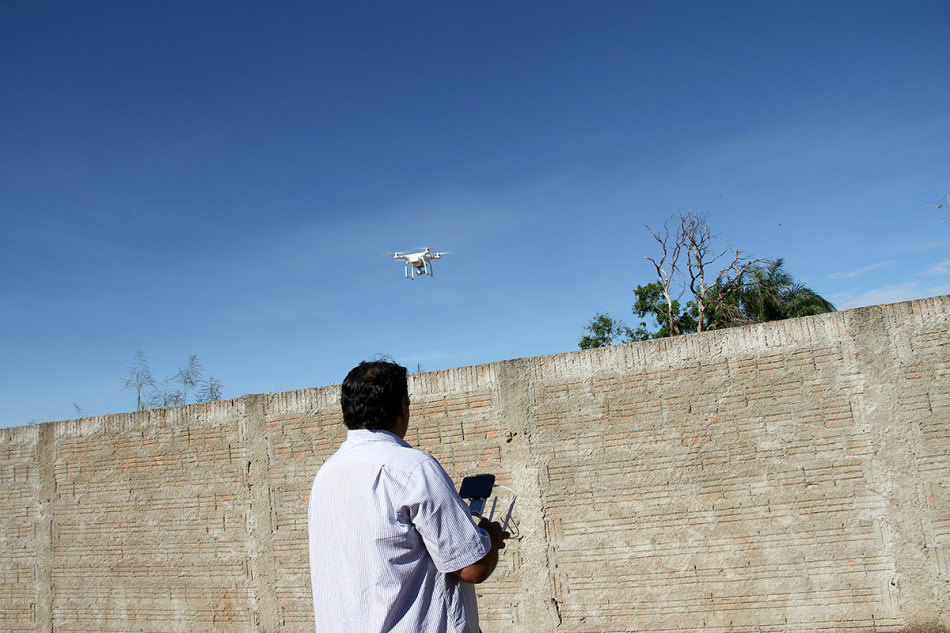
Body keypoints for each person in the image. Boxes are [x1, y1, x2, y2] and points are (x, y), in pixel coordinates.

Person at [308, 359, 510, 633]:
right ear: (404, 406)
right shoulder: (414, 469)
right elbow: (473, 568)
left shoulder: (327, 474)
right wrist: (490, 538)